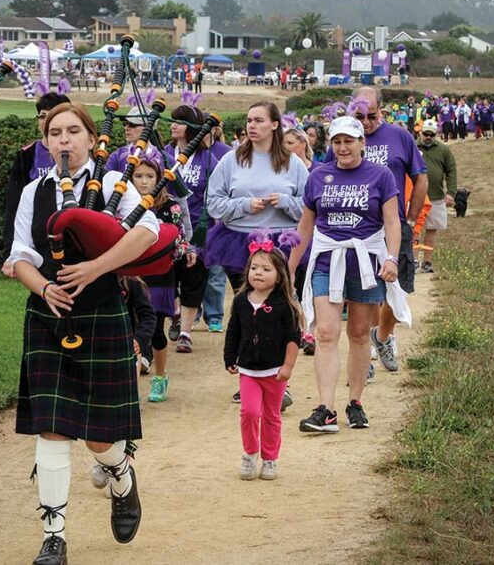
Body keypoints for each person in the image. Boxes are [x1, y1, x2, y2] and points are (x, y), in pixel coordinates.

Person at [8, 102, 156, 563]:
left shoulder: (113, 184)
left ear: (92, 140)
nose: (64, 140)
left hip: (101, 311)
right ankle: (54, 535)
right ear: (46, 141)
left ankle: (121, 475)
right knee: (51, 428)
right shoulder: (35, 191)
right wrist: (46, 287)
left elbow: (148, 231)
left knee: (98, 437)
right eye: (55, 133)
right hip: (48, 318)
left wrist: (94, 268)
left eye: (74, 131)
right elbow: (19, 257)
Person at [289, 116, 408, 432]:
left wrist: (392, 258)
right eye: (337, 142)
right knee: (326, 332)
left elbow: (392, 222)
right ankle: (325, 409)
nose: (343, 147)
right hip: (328, 261)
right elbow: (305, 225)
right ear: (331, 144)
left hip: (367, 262)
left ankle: (355, 402)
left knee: (358, 333)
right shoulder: (318, 177)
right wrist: (289, 266)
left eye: (349, 141)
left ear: (361, 143)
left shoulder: (381, 176)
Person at [323, 86, 428, 375]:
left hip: (395, 224)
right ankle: (364, 356)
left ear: (381, 110)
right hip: (357, 230)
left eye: (372, 115)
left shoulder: (400, 136)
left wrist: (411, 219)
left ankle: (381, 337)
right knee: (366, 292)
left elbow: (420, 178)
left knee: (400, 288)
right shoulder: (341, 139)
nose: (367, 122)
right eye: (360, 116)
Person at [206, 101, 308, 293]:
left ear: (275, 124)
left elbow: (310, 207)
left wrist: (287, 202)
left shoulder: (293, 162)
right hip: (237, 243)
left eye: (259, 120)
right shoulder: (230, 159)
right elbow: (212, 203)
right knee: (246, 304)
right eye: (249, 120)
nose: (251, 125)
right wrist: (244, 205)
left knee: (281, 305)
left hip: (283, 243)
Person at [225, 240, 302, 479]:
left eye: (266, 269)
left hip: (275, 371)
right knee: (249, 412)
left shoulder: (283, 305)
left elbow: (293, 338)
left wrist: (288, 366)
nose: (258, 273)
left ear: (279, 277)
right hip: (249, 370)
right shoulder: (240, 302)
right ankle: (249, 453)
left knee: (271, 416)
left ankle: (270, 458)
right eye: (254, 268)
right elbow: (233, 331)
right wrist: (229, 357)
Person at [130, 152, 193, 403]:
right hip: (132, 274)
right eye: (138, 176)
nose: (144, 181)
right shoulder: (126, 204)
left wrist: (183, 251)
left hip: (159, 274)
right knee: (132, 328)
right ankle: (130, 385)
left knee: (155, 329)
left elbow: (179, 239)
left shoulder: (170, 207)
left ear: (160, 178)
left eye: (150, 176)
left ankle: (159, 377)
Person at [166, 105, 220, 352]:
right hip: (166, 230)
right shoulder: (163, 154)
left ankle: (186, 332)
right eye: (173, 120)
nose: (173, 125)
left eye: (180, 121)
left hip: (198, 231)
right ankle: (174, 312)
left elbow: (216, 195)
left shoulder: (209, 159)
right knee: (168, 279)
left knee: (193, 279)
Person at [2, 92, 72, 278]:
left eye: (52, 116)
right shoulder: (26, 155)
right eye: (42, 116)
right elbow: (13, 205)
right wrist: (12, 252)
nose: (45, 121)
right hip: (37, 234)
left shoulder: (77, 154)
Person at [416, 119, 457, 274]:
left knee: (432, 229)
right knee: (414, 230)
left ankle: (427, 262)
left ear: (436, 135)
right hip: (415, 197)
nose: (428, 137)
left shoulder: (443, 150)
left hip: (436, 196)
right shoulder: (412, 147)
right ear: (420, 133)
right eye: (425, 134)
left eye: (431, 135)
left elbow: (451, 170)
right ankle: (413, 262)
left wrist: (451, 192)